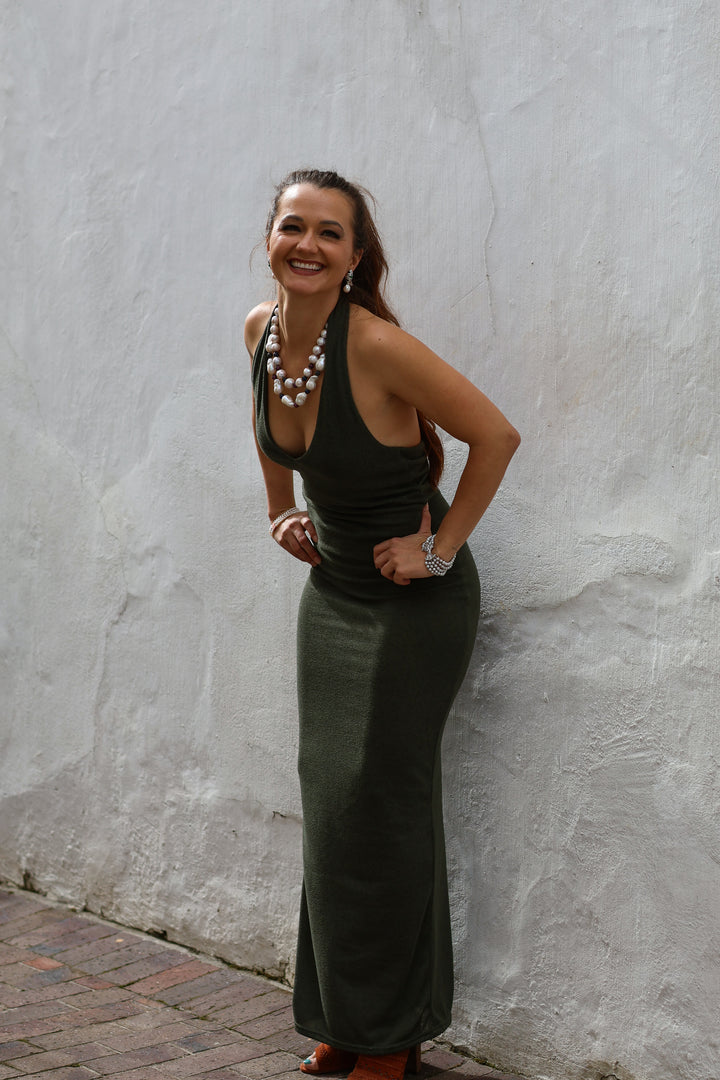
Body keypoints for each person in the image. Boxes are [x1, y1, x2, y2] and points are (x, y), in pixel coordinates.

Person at [246, 169, 520, 1080]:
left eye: (331, 233)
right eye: (295, 227)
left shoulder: (376, 345)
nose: (308, 245)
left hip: (414, 606)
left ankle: (394, 1033)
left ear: (357, 256)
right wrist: (281, 508)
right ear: (271, 237)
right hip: (333, 597)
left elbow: (497, 436)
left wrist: (438, 549)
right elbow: (272, 432)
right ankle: (347, 1018)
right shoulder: (262, 333)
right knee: (331, 804)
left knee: (382, 806)